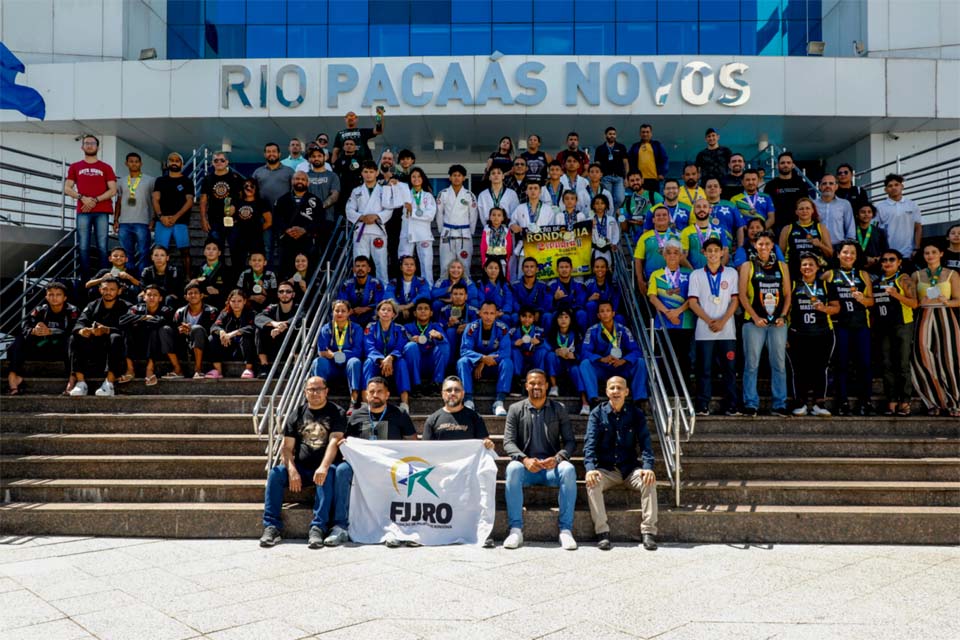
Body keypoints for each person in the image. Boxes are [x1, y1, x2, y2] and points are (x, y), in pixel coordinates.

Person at [325, 376, 417, 548]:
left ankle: (395, 528)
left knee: (406, 473)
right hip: (361, 466)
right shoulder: (355, 415)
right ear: (366, 395)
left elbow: (413, 442)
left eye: (379, 392)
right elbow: (343, 439)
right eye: (371, 392)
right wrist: (344, 445)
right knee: (341, 470)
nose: (375, 395)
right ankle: (340, 526)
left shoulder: (399, 414)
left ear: (387, 394)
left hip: (390, 465)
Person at [259, 376, 347, 549]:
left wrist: (323, 466)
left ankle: (318, 527)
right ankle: (272, 526)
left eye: (319, 389)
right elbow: (286, 447)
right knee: (275, 474)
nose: (315, 393)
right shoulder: (296, 414)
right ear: (305, 392)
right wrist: (291, 470)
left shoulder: (337, 412)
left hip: (325, 466)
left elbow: (334, 441)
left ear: (326, 391)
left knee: (327, 474)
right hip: (301, 467)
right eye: (311, 389)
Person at [502, 369, 577, 550]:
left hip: (551, 469)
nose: (536, 386)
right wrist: (525, 459)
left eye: (540, 383)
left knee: (568, 469)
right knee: (512, 469)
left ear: (547, 385)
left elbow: (570, 442)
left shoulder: (558, 409)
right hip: (527, 469)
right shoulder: (515, 409)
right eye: (532, 383)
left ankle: (565, 530)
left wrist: (558, 458)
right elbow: (508, 442)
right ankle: (516, 530)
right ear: (526, 385)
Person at [584, 376, 658, 551]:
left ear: (626, 392)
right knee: (592, 483)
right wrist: (590, 469)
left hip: (630, 469)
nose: (615, 391)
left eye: (619, 388)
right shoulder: (597, 413)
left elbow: (646, 444)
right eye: (612, 388)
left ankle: (648, 532)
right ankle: (602, 533)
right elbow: (590, 445)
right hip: (606, 470)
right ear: (607, 391)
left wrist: (647, 468)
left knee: (649, 480)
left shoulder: (636, 414)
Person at [738, 231, 791, 417]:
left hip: (777, 323)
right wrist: (754, 317)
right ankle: (751, 403)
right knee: (751, 364)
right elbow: (742, 295)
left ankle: (779, 404)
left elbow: (787, 295)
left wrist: (783, 316)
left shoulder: (782, 266)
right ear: (755, 246)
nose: (763, 247)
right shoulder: (747, 265)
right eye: (760, 244)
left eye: (767, 244)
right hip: (754, 322)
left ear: (772, 246)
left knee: (779, 364)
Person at [687, 239, 740, 416]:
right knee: (704, 370)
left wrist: (722, 321)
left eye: (716, 250)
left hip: (727, 330)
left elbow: (735, 300)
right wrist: (710, 321)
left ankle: (731, 405)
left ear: (722, 252)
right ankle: (702, 405)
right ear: (704, 252)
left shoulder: (731, 273)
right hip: (705, 330)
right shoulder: (696, 275)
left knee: (729, 370)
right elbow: (693, 302)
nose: (713, 254)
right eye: (709, 251)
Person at [825, 241, 876, 415]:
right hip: (840, 325)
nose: (849, 256)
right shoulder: (829, 275)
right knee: (841, 364)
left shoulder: (863, 274)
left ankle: (866, 402)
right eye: (845, 252)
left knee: (865, 365)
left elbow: (871, 301)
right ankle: (842, 401)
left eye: (852, 253)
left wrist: (863, 299)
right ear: (838, 254)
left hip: (861, 324)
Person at [911, 241, 960, 417]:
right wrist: (919, 303)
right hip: (924, 316)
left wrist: (948, 302)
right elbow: (912, 302)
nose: (930, 256)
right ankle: (934, 401)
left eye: (933, 252)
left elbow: (958, 299)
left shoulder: (952, 274)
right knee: (922, 358)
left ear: (941, 254)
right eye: (926, 253)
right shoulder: (916, 275)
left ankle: (955, 402)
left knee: (950, 360)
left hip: (945, 316)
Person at [788, 254, 838, 416]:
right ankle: (800, 402)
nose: (807, 267)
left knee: (820, 369)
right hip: (798, 333)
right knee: (799, 369)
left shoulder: (826, 285)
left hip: (823, 333)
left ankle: (819, 404)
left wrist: (824, 309)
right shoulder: (793, 284)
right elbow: (786, 309)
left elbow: (836, 308)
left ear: (817, 268)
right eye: (804, 265)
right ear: (800, 268)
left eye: (811, 264)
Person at [6, 282, 78, 396]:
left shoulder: (72, 310)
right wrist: (34, 331)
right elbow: (25, 327)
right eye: (51, 294)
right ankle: (13, 376)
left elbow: (75, 329)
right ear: (46, 297)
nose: (54, 298)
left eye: (58, 294)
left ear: (65, 298)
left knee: (73, 340)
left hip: (62, 350)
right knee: (19, 339)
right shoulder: (40, 310)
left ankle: (72, 379)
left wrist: (52, 332)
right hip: (42, 347)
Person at [64, 135, 118, 280]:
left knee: (102, 246)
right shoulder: (75, 166)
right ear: (82, 147)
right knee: (83, 246)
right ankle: (86, 280)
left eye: (92, 143)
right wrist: (83, 198)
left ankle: (105, 279)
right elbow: (67, 188)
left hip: (102, 211)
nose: (89, 145)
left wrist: (94, 200)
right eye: (86, 143)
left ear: (98, 147)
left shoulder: (106, 167)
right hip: (83, 211)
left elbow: (113, 190)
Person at [872, 249, 918, 416]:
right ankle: (891, 400)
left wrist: (897, 295)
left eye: (892, 259)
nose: (887, 262)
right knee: (887, 365)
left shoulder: (903, 279)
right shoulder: (877, 281)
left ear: (899, 262)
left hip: (902, 325)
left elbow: (914, 303)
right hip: (883, 326)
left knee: (902, 364)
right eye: (884, 259)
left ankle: (905, 401)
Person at [68, 277, 129, 397]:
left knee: (116, 337)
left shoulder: (125, 306)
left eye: (112, 289)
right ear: (100, 290)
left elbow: (128, 329)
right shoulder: (92, 305)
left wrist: (107, 330)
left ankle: (109, 383)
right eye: (105, 289)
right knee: (75, 337)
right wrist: (82, 331)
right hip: (94, 344)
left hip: (114, 346)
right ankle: (81, 383)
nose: (108, 292)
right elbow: (79, 322)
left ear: (119, 291)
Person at [580, 301, 647, 406]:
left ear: (613, 313)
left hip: (621, 367)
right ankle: (593, 398)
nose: (605, 313)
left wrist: (623, 360)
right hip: (603, 367)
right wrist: (601, 359)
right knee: (585, 364)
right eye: (602, 311)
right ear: (598, 315)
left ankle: (639, 398)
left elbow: (636, 351)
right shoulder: (592, 331)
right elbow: (584, 352)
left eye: (608, 311)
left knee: (640, 362)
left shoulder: (623, 330)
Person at [647, 240, 694, 379]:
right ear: (663, 255)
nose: (672, 256)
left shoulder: (690, 274)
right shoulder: (656, 274)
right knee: (665, 356)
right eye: (668, 252)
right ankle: (667, 387)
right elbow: (652, 297)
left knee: (684, 355)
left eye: (676, 252)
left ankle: (684, 387)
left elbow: (693, 297)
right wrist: (668, 313)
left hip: (685, 322)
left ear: (681, 256)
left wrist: (677, 312)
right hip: (663, 322)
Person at [458, 301, 514, 416]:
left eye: (492, 313)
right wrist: (482, 358)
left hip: (493, 366)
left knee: (507, 362)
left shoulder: (502, 328)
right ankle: (468, 400)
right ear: (479, 313)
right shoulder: (471, 328)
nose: (488, 317)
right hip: (475, 368)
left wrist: (484, 361)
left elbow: (505, 351)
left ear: (497, 314)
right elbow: (464, 350)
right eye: (485, 313)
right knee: (462, 362)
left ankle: (499, 402)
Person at [120, 283, 183, 385]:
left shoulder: (166, 310)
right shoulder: (136, 308)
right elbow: (122, 321)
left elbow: (158, 322)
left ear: (160, 298)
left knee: (155, 329)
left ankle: (150, 369)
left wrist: (137, 322)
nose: (152, 298)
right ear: (144, 297)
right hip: (137, 343)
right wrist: (143, 317)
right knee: (127, 329)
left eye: (155, 295)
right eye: (149, 295)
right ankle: (130, 369)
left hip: (158, 347)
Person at [313, 299, 364, 413]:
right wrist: (337, 355)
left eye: (343, 311)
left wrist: (335, 354)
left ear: (349, 312)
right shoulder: (326, 328)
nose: (340, 313)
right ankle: (319, 399)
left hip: (348, 367)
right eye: (337, 311)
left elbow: (357, 351)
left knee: (355, 361)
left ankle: (354, 401)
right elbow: (322, 352)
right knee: (318, 362)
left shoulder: (356, 329)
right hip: (332, 367)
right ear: (332, 312)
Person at [363, 299, 412, 414]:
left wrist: (390, 358)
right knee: (368, 362)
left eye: (389, 310)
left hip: (393, 363)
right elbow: (369, 347)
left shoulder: (400, 329)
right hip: (376, 363)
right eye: (383, 309)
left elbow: (400, 347)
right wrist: (382, 360)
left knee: (402, 362)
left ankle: (404, 402)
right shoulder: (370, 327)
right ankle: (365, 402)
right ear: (378, 312)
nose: (385, 312)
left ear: (394, 314)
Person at [346, 160, 392, 279]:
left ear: (377, 173)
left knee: (381, 263)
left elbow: (389, 209)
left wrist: (376, 216)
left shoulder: (384, 190)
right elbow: (349, 210)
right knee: (359, 263)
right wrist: (361, 217)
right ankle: (358, 289)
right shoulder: (356, 191)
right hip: (361, 231)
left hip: (378, 230)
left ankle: (383, 290)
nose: (368, 174)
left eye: (371, 172)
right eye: (365, 172)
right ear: (361, 173)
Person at [151, 151, 194, 276]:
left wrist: (176, 217)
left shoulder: (187, 181)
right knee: (159, 252)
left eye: (177, 160)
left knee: (185, 251)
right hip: (162, 222)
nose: (174, 162)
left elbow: (189, 201)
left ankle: (187, 277)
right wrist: (160, 216)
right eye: (171, 160)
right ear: (167, 163)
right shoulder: (160, 180)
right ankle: (158, 277)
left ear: (182, 163)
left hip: (180, 222)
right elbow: (155, 199)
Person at [423, 375, 494, 447]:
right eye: (448, 390)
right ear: (442, 394)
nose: (453, 393)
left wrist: (488, 444)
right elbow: (425, 450)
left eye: (457, 390)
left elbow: (485, 448)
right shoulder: (432, 420)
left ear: (463, 394)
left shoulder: (475, 418)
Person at [113, 152, 155, 274]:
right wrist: (116, 220)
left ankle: (142, 279)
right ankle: (128, 278)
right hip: (124, 223)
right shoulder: (121, 181)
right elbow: (118, 201)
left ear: (141, 163)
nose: (134, 163)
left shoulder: (150, 180)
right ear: (126, 163)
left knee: (143, 251)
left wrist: (153, 219)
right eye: (131, 161)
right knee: (126, 253)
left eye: (136, 161)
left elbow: (154, 201)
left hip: (143, 221)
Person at [273, 171, 320, 277]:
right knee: (285, 271)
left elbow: (319, 221)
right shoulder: (282, 200)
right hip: (287, 241)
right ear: (292, 181)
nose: (300, 181)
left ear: (308, 183)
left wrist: (304, 230)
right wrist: (287, 229)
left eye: (303, 179)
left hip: (306, 241)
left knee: (308, 271)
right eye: (297, 179)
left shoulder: (315, 201)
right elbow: (277, 219)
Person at [199, 151, 246, 256]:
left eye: (222, 160)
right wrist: (203, 219)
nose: (219, 162)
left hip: (234, 220)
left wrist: (236, 207)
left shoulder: (235, 178)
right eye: (216, 160)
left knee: (236, 250)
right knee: (216, 251)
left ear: (227, 162)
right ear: (212, 163)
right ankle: (220, 272)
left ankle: (236, 272)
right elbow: (203, 200)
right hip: (214, 221)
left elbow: (243, 196)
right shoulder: (207, 179)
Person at [544, 309, 590, 415]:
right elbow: (546, 345)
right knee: (550, 355)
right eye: (560, 317)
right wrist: (556, 351)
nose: (563, 320)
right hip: (558, 364)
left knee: (576, 370)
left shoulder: (577, 334)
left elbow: (583, 351)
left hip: (572, 363)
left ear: (570, 319)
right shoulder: (552, 333)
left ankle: (585, 403)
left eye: (566, 317)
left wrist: (574, 355)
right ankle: (554, 386)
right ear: (556, 320)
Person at [436, 164, 479, 275]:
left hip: (464, 232)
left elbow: (473, 215)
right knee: (445, 263)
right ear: (450, 177)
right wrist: (442, 230)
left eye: (459, 175)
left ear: (464, 178)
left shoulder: (469, 195)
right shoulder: (443, 194)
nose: (456, 178)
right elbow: (439, 214)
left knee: (465, 263)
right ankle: (445, 287)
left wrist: (471, 231)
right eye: (454, 175)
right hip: (447, 232)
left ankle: (465, 286)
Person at [402, 299, 450, 394]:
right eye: (420, 309)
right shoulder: (407, 327)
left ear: (431, 313)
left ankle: (437, 383)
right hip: (415, 364)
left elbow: (445, 342)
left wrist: (439, 337)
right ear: (415, 313)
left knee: (443, 345)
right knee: (411, 346)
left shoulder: (436, 326)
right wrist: (411, 340)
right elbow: (402, 344)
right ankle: (416, 385)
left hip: (430, 363)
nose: (423, 311)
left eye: (426, 309)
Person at [398, 167, 436, 285]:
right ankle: (404, 288)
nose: (416, 179)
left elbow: (430, 215)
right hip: (407, 233)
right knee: (404, 263)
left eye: (419, 176)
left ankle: (428, 289)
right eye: (413, 176)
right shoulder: (405, 194)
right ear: (410, 179)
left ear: (423, 179)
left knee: (426, 264)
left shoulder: (428, 196)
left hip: (423, 233)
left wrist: (413, 211)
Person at [207, 289, 257, 379]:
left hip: (244, 350)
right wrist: (221, 332)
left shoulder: (251, 313)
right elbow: (214, 326)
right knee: (212, 338)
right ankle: (218, 370)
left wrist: (234, 333)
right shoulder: (225, 313)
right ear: (229, 302)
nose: (236, 304)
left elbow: (253, 328)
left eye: (239, 301)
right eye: (233, 301)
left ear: (244, 301)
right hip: (228, 347)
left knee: (248, 336)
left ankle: (248, 369)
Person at [876, 174, 923, 269]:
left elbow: (918, 228)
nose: (893, 188)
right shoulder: (879, 207)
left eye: (896, 185)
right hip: (888, 255)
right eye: (890, 186)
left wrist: (916, 248)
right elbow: (875, 230)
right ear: (885, 190)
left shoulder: (912, 205)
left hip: (908, 253)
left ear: (902, 186)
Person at [173, 281, 219, 379]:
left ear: (202, 295)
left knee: (197, 329)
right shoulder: (179, 312)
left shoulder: (211, 311)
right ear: (186, 297)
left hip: (205, 344)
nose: (193, 295)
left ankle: (198, 369)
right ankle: (177, 369)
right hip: (185, 345)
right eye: (190, 293)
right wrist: (181, 330)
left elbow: (213, 329)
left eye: (196, 293)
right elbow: (175, 329)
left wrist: (192, 330)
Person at [779, 198, 833, 280]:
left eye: (807, 208)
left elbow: (830, 253)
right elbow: (780, 255)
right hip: (793, 270)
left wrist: (820, 245)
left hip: (815, 271)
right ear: (796, 212)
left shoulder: (821, 228)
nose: (804, 211)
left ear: (812, 211)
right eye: (801, 209)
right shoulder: (787, 229)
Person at [254, 281, 299, 378]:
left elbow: (300, 317)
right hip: (274, 345)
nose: (284, 294)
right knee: (260, 329)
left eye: (288, 291)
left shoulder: (298, 308)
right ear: (278, 294)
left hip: (291, 348)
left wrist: (283, 326)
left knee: (298, 328)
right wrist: (275, 324)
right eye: (281, 291)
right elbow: (258, 317)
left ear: (293, 294)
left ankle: (296, 365)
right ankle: (264, 366)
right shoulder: (272, 307)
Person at [635, 205, 683, 293]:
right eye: (658, 215)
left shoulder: (678, 236)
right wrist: (640, 280)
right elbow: (638, 260)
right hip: (652, 280)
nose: (661, 217)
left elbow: (683, 258)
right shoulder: (645, 237)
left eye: (664, 215)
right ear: (653, 219)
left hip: (675, 280)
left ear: (669, 218)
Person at [763, 151, 811, 235]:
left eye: (788, 163)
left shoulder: (800, 184)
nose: (785, 165)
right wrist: (769, 227)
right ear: (777, 166)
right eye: (782, 163)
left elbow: (807, 205)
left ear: (792, 165)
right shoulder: (770, 185)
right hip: (777, 227)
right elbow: (765, 208)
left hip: (798, 225)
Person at [230, 178, 271, 270]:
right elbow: (228, 214)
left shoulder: (261, 202)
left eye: (252, 186)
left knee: (257, 263)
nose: (249, 188)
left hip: (255, 238)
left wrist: (258, 230)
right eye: (246, 186)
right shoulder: (237, 201)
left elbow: (269, 222)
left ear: (256, 188)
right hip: (239, 237)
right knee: (238, 263)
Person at [439, 282, 479, 365]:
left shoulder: (473, 311)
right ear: (451, 296)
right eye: (455, 294)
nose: (458, 297)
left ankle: (468, 361)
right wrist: (448, 324)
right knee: (450, 331)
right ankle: (450, 364)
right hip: (451, 338)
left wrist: (468, 326)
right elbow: (439, 326)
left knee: (468, 331)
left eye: (461, 294)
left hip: (467, 338)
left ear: (466, 296)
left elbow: (478, 326)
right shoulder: (444, 310)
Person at [339, 256, 384, 328]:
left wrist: (364, 309)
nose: (360, 268)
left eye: (363, 266)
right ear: (353, 269)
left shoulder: (376, 283)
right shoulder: (347, 284)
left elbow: (380, 302)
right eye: (357, 266)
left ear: (369, 269)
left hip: (370, 315)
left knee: (380, 311)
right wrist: (351, 310)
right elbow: (342, 301)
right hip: (352, 315)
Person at [731, 169, 775, 241]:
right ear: (742, 182)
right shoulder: (735, 199)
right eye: (747, 180)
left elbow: (771, 218)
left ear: (758, 181)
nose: (751, 182)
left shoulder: (766, 197)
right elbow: (735, 220)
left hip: (763, 235)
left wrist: (760, 231)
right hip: (744, 236)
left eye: (754, 179)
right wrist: (749, 231)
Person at [815, 174, 855, 249]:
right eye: (824, 183)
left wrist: (849, 246)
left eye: (831, 183)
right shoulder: (812, 204)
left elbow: (850, 228)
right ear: (819, 187)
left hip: (838, 246)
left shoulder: (844, 204)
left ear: (836, 187)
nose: (827, 186)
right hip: (817, 246)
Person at [545, 257, 587, 329]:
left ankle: (582, 338)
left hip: (573, 312)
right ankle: (548, 339)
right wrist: (555, 299)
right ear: (557, 269)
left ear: (571, 268)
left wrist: (569, 311)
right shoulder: (551, 285)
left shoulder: (579, 284)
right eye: (561, 267)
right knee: (547, 315)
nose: (564, 269)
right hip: (557, 313)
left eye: (566, 267)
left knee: (582, 314)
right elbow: (547, 306)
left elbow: (581, 303)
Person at [510, 306, 548, 385]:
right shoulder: (513, 331)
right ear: (520, 317)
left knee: (542, 351)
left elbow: (548, 345)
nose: (527, 319)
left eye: (530, 317)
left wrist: (539, 342)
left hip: (534, 359)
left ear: (534, 318)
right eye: (524, 316)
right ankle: (516, 380)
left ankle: (540, 378)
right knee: (514, 351)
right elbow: (505, 343)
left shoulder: (540, 330)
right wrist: (514, 343)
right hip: (520, 361)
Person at [622, 171, 664, 242]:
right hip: (638, 239)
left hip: (657, 238)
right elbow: (625, 229)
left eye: (637, 180)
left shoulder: (654, 196)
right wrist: (621, 217)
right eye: (632, 181)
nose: (635, 182)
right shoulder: (628, 202)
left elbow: (666, 217)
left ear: (642, 180)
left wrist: (646, 222)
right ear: (628, 183)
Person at [252, 142, 295, 210]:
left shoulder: (289, 171)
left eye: (274, 151)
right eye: (268, 152)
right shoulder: (257, 172)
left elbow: (295, 193)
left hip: (284, 212)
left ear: (279, 154)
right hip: (262, 213)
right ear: (265, 154)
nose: (271, 154)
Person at [627, 124, 669, 194]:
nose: (645, 134)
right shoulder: (635, 146)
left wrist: (662, 173)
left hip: (654, 179)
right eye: (643, 132)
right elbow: (628, 161)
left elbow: (665, 159)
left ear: (651, 133)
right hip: (639, 180)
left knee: (654, 200)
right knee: (640, 200)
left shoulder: (657, 145)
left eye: (647, 132)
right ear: (640, 134)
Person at [388, 255, 430, 323]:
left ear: (415, 267)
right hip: (398, 309)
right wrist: (399, 307)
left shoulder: (421, 281)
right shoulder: (394, 282)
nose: (409, 266)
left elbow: (425, 294)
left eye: (412, 264)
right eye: (406, 264)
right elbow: (388, 295)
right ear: (401, 267)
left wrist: (407, 306)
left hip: (415, 310)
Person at [594, 127, 628, 209]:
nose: (612, 136)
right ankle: (610, 218)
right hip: (606, 177)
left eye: (614, 134)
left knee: (620, 199)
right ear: (605, 135)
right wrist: (598, 178)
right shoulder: (600, 148)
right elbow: (597, 164)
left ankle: (612, 215)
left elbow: (626, 163)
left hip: (619, 177)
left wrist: (626, 177)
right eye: (610, 134)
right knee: (607, 200)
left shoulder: (621, 147)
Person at [512, 257, 552, 327]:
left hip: (538, 314)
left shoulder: (543, 285)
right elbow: (514, 302)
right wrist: (524, 313)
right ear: (522, 269)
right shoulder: (515, 285)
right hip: (521, 313)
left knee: (548, 316)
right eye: (526, 267)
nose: (529, 269)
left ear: (537, 269)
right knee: (514, 316)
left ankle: (545, 337)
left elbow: (546, 302)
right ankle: (516, 336)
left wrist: (538, 311)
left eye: (532, 267)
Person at [703, 177, 743, 245]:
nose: (712, 188)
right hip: (705, 248)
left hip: (727, 248)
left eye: (715, 186)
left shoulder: (731, 206)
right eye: (709, 187)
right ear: (704, 190)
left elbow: (740, 227)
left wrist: (740, 248)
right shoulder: (700, 206)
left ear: (720, 190)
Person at [140, 245, 181, 309]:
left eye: (162, 255)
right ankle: (143, 317)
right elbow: (144, 287)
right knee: (141, 297)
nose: (159, 258)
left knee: (170, 298)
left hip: (166, 297)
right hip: (152, 295)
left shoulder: (174, 271)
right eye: (156, 255)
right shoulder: (146, 271)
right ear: (152, 257)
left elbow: (174, 290)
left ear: (167, 258)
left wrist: (157, 293)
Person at [584, 256, 621, 325]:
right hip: (594, 315)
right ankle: (593, 330)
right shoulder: (588, 283)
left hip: (609, 313)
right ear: (593, 269)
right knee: (591, 305)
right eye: (597, 267)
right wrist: (589, 299)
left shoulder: (613, 284)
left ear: (607, 268)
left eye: (602, 267)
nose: (600, 269)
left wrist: (609, 312)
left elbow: (616, 301)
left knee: (619, 318)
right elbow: (581, 302)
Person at [194, 239, 230, 310]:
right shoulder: (198, 269)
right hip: (200, 303)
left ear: (219, 253)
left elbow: (231, 289)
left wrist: (218, 291)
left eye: (214, 249)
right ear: (204, 252)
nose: (211, 251)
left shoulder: (226, 270)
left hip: (218, 303)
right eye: (208, 249)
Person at [480, 206, 514, 281]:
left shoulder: (506, 230)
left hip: (502, 259)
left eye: (499, 215)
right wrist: (483, 260)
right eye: (493, 215)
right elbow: (483, 246)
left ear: (503, 218)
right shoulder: (486, 230)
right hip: (489, 258)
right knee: (489, 278)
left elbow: (509, 247)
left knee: (502, 278)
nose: (496, 217)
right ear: (490, 217)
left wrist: (507, 259)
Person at [854, 203, 889, 274]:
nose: (866, 214)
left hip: (875, 268)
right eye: (863, 212)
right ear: (857, 214)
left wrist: (876, 260)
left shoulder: (880, 231)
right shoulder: (851, 231)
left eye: (869, 212)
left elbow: (886, 251)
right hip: (857, 267)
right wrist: (865, 259)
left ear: (873, 215)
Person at [588, 193, 620, 268]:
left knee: (608, 267)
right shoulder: (589, 220)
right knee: (596, 268)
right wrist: (590, 227)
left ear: (606, 205)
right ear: (593, 206)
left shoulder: (611, 219)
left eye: (602, 203)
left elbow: (615, 233)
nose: (599, 206)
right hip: (595, 249)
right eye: (597, 203)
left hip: (608, 248)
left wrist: (614, 243)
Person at [332, 138, 364, 210]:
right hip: (342, 191)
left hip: (357, 190)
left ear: (355, 147)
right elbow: (335, 176)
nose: (349, 146)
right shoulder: (339, 161)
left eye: (351, 144)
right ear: (343, 147)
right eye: (347, 144)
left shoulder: (360, 160)